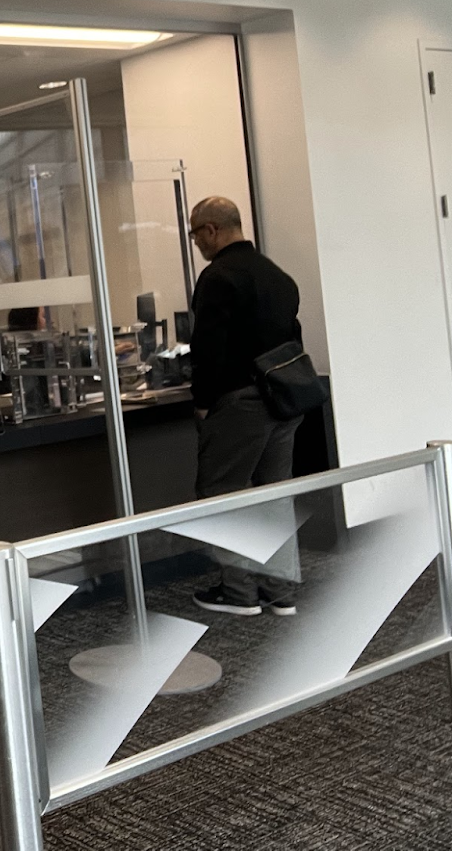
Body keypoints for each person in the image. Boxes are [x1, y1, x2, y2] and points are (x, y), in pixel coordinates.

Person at [186, 195, 304, 618]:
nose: (196, 242)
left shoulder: (218, 277)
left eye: (195, 233)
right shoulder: (279, 276)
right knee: (275, 495)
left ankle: (238, 592)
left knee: (221, 492)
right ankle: (281, 591)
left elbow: (208, 350)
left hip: (239, 403)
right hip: (283, 400)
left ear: (212, 230)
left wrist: (202, 404)